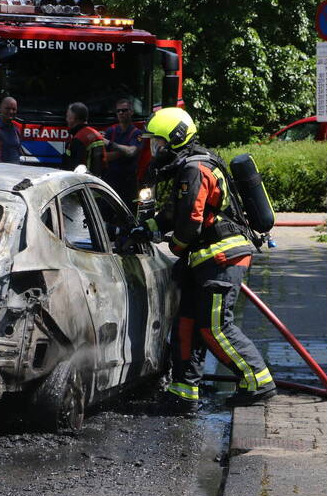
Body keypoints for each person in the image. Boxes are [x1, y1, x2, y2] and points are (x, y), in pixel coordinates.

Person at [137, 107, 275, 413]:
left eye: (157, 142)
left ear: (173, 139)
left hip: (221, 258)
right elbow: (174, 212)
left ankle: (258, 381)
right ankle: (183, 392)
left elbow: (190, 222)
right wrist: (143, 228)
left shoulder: (195, 169)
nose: (153, 149)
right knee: (186, 325)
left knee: (216, 328)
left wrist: (172, 244)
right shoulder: (185, 167)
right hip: (203, 261)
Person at [102, 98, 143, 207]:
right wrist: (123, 152)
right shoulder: (110, 131)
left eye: (124, 110)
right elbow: (103, 156)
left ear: (131, 112)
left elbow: (132, 151)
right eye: (118, 111)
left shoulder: (137, 133)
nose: (121, 113)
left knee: (129, 216)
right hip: (110, 181)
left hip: (129, 183)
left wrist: (111, 145)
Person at [62, 102, 105, 176]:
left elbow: (76, 168)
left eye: (68, 116)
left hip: (83, 180)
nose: (66, 119)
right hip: (98, 181)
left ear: (73, 117)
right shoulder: (96, 134)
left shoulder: (78, 139)